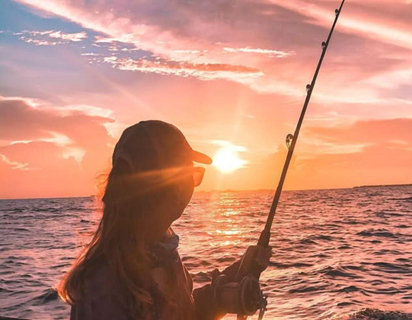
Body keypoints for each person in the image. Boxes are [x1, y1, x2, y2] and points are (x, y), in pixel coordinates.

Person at [57, 120, 271, 320]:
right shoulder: (104, 288)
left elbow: (185, 313)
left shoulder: (164, 254)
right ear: (167, 183)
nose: (192, 185)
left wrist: (231, 282)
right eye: (190, 173)